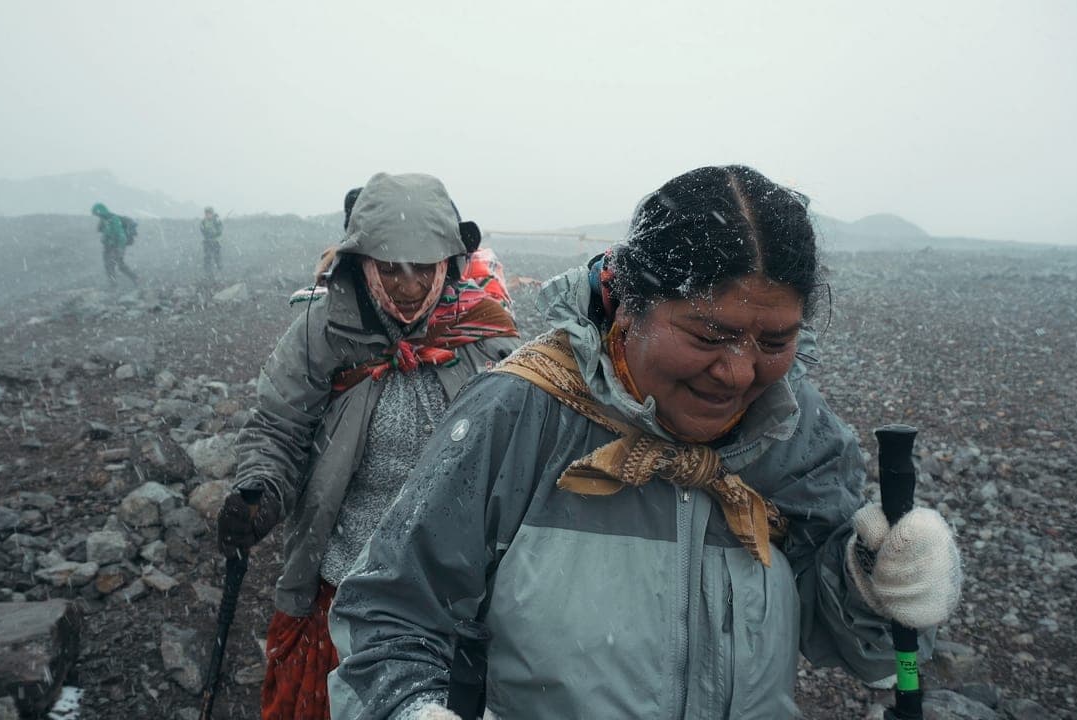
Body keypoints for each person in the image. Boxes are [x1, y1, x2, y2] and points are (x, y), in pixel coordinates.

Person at [327, 166, 963, 719]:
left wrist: (871, 580)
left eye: (773, 342)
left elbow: (852, 639)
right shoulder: (523, 415)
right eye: (710, 335)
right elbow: (389, 614)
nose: (740, 372)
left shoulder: (794, 430)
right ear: (629, 306)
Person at [217, 172, 523, 720]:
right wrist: (259, 489)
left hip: (450, 593)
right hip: (345, 582)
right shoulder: (322, 334)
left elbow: (516, 453)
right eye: (391, 270)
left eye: (422, 271)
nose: (407, 289)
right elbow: (280, 428)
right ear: (361, 263)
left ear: (448, 265)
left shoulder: (487, 342)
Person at [91, 202, 138, 287]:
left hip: (116, 246)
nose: (97, 216)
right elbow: (104, 231)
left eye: (97, 214)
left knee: (114, 264)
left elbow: (121, 235)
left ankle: (120, 282)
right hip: (110, 246)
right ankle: (115, 283)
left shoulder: (114, 220)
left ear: (101, 212)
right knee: (111, 264)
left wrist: (120, 248)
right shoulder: (104, 220)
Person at [200, 206, 224, 278]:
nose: (207, 215)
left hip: (216, 242)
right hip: (207, 242)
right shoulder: (203, 221)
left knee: (217, 258)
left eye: (209, 213)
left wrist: (215, 232)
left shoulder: (216, 220)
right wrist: (208, 233)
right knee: (207, 257)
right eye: (206, 213)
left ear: (212, 213)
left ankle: (219, 272)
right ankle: (208, 274)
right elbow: (202, 230)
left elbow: (220, 230)